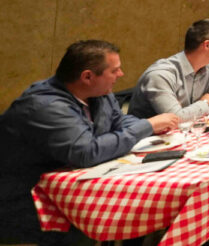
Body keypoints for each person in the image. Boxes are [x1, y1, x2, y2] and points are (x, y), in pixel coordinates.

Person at [0, 41, 178, 243]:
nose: (121, 75)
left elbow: (119, 122)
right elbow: (87, 153)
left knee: (139, 207)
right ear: (87, 77)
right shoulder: (45, 106)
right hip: (25, 197)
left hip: (73, 187)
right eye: (115, 70)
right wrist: (147, 126)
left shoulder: (99, 94)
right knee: (90, 224)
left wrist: (151, 128)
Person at [129, 18, 209, 119]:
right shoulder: (160, 75)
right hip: (151, 136)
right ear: (207, 45)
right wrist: (204, 103)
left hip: (186, 132)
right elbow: (176, 119)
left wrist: (190, 112)